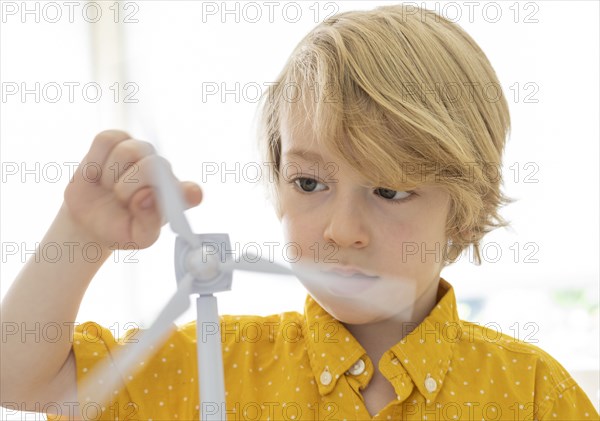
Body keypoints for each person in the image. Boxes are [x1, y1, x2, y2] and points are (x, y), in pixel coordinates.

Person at [1, 4, 597, 420]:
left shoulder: (536, 393)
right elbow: (20, 380)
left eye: (389, 192)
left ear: (465, 213)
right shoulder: (207, 358)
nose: (341, 230)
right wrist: (79, 238)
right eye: (310, 182)